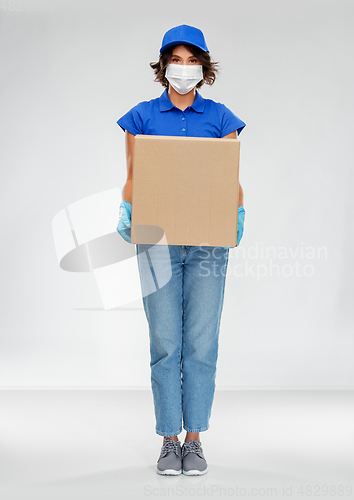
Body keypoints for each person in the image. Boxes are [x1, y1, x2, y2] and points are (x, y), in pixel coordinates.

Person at [116, 24, 246, 476]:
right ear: (163, 65)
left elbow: (230, 177)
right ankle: (169, 439)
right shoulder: (141, 116)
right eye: (178, 59)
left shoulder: (221, 117)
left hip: (209, 242)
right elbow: (133, 174)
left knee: (201, 343)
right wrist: (128, 209)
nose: (184, 69)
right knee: (165, 342)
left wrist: (237, 215)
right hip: (156, 242)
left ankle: (195, 440)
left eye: (193, 61)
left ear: (204, 67)